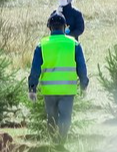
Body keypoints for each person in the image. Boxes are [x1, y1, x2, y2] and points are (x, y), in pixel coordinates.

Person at [28, 14, 90, 142]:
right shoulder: (74, 44)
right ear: (64, 27)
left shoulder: (42, 45)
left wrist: (32, 88)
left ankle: (54, 143)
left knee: (51, 118)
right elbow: (81, 67)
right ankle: (61, 142)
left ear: (50, 28)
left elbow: (35, 69)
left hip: (49, 91)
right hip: (67, 89)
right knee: (65, 118)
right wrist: (84, 85)